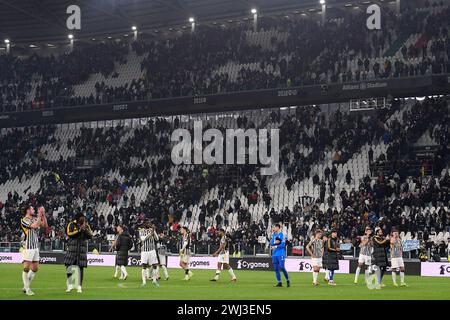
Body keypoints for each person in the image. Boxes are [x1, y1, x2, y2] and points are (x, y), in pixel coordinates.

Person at [21, 205, 48, 296]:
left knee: (35, 268)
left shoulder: (34, 218)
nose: (33, 210)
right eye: (32, 209)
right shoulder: (24, 220)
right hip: (28, 246)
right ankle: (27, 289)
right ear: (28, 210)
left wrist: (43, 215)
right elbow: (35, 226)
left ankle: (25, 286)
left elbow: (45, 225)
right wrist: (40, 215)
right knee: (26, 268)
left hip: (35, 246)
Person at [64, 213, 93, 293]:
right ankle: (70, 285)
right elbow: (70, 234)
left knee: (81, 268)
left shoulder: (85, 225)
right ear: (78, 218)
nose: (83, 219)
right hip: (72, 248)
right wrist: (80, 230)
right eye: (81, 218)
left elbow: (90, 236)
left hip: (81, 249)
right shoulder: (71, 224)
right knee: (69, 266)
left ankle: (79, 286)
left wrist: (86, 228)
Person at [139, 220, 160, 287]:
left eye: (150, 223)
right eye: (148, 223)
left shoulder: (152, 230)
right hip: (144, 251)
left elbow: (157, 239)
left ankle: (154, 280)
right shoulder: (141, 231)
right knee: (144, 266)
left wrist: (154, 232)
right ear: (145, 224)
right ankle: (144, 282)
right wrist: (150, 234)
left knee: (154, 265)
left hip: (152, 250)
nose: (149, 224)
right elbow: (143, 239)